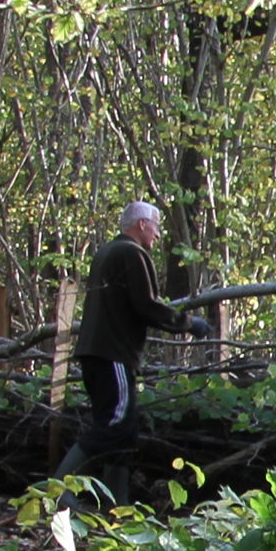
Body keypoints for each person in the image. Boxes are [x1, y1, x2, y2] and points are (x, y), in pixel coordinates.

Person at [67, 200, 204, 502]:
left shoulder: (107, 252)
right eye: (155, 227)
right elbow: (146, 305)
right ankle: (57, 490)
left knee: (124, 433)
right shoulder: (131, 253)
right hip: (112, 354)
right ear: (142, 224)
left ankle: (117, 506)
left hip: (98, 354)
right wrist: (188, 323)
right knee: (114, 426)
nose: (157, 235)